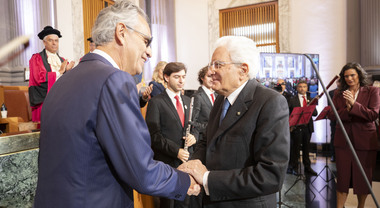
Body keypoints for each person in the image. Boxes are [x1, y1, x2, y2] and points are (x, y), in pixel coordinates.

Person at [33, 1, 200, 207]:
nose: (148, 52)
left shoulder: (62, 81)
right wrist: (184, 180)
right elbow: (140, 170)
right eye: (146, 41)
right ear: (121, 32)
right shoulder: (115, 80)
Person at [178, 36, 290, 208]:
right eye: (210, 65)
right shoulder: (220, 101)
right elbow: (207, 142)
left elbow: (270, 175)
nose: (210, 71)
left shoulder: (270, 102)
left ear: (243, 70)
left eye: (218, 65)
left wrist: (207, 178)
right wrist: (193, 170)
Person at [328, 62, 380, 208]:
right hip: (343, 141)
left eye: (352, 75)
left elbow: (373, 114)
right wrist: (348, 109)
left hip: (365, 141)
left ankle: (360, 206)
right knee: (343, 179)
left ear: (359, 75)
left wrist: (354, 105)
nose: (349, 78)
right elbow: (333, 115)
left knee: (362, 179)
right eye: (346, 76)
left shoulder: (372, 91)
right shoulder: (338, 93)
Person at [145, 62, 197, 208]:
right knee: (169, 205)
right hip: (167, 163)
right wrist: (176, 151)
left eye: (183, 77)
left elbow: (195, 128)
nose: (181, 81)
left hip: (187, 163)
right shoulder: (156, 102)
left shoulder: (188, 100)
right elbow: (154, 135)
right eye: (177, 77)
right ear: (166, 77)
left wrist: (194, 137)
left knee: (186, 203)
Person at [28, 26, 75, 122]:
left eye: (56, 41)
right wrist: (60, 72)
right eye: (51, 40)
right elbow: (39, 78)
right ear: (44, 42)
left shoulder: (62, 60)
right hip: (43, 101)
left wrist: (68, 72)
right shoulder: (36, 58)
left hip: (61, 101)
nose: (54, 43)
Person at [287, 80, 318, 176]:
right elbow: (288, 114)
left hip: (307, 128)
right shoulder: (292, 100)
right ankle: (294, 167)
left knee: (306, 149)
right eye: (300, 86)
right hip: (296, 128)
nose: (302, 88)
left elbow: (315, 113)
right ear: (297, 88)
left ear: (307, 88)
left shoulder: (310, 99)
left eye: (304, 86)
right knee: (295, 149)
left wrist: (310, 107)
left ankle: (307, 168)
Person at [191, 66, 216, 141]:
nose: (212, 79)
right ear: (202, 78)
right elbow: (193, 122)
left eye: (213, 76)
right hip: (203, 139)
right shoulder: (197, 96)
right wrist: (212, 127)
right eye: (209, 76)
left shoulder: (218, 95)